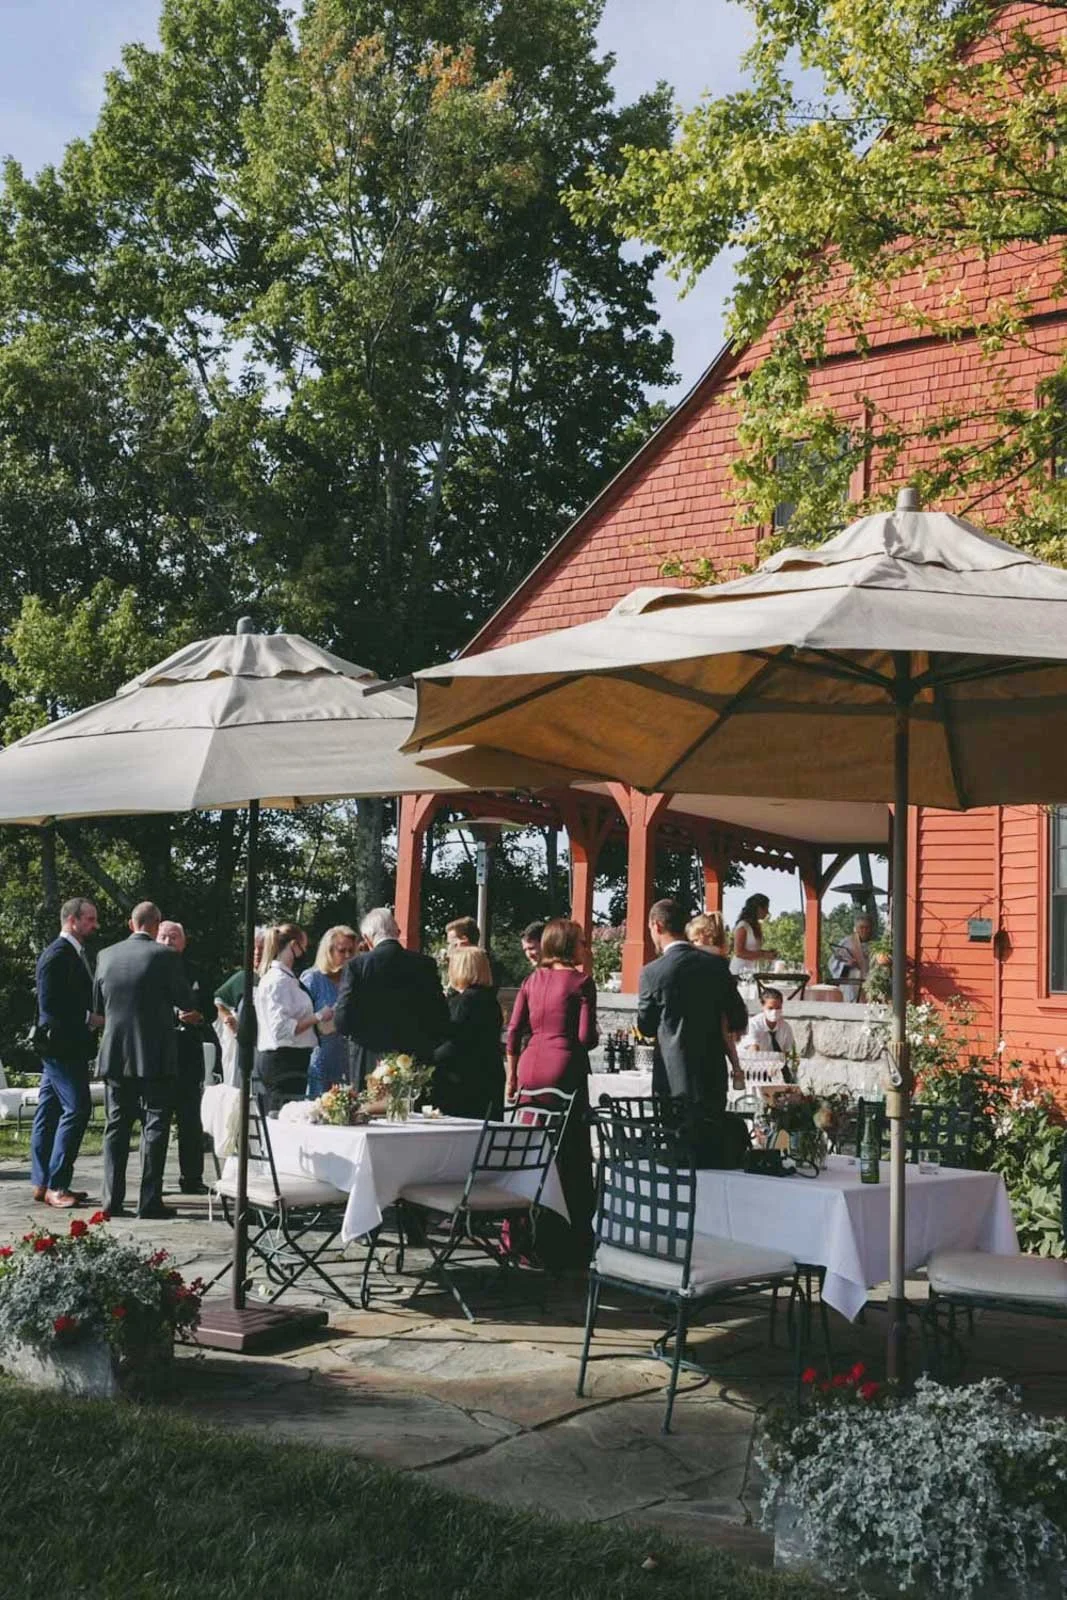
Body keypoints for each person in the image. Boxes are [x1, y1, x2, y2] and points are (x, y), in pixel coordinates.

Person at [94, 901, 198, 1220]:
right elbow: (184, 1000)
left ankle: (112, 1199)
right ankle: (149, 1200)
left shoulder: (105, 955)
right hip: (154, 1052)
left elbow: (98, 1006)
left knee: (116, 1126)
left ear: (131, 924)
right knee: (155, 1125)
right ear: (156, 925)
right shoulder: (165, 956)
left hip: (114, 1052)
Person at [505, 918, 597, 1263]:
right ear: (569, 946)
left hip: (530, 1065)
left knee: (531, 1149)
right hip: (564, 1067)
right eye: (582, 942)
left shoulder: (531, 979)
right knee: (568, 1154)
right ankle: (566, 1244)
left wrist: (511, 1076)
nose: (586, 948)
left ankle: (520, 1236)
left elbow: (514, 1031)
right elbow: (586, 1038)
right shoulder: (581, 982)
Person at [638, 899, 749, 1158]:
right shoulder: (716, 966)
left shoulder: (652, 972)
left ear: (657, 925)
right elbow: (736, 1015)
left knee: (678, 1152)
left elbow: (646, 1025)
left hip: (672, 1073)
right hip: (711, 1071)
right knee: (711, 1150)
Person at [29, 896, 103, 1209]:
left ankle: (41, 1181)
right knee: (77, 1108)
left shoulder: (71, 953)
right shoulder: (56, 955)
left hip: (64, 1046)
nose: (95, 925)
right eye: (89, 919)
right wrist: (90, 1018)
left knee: (47, 1113)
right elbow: (51, 1007)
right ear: (72, 921)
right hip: (61, 1047)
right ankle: (57, 1185)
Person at [333, 907, 449, 1089]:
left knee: (370, 1111)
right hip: (415, 1056)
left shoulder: (357, 966)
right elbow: (440, 1015)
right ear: (397, 932)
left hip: (369, 1056)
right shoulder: (425, 965)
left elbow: (341, 1019)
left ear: (368, 938)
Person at [156, 921, 212, 1195]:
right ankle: (152, 1180)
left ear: (183, 942)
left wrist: (199, 1017)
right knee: (156, 1120)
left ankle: (192, 1178)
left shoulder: (196, 971)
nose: (168, 941)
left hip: (189, 1054)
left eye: (174, 936)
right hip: (157, 1055)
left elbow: (212, 1006)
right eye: (163, 936)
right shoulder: (148, 970)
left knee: (190, 1120)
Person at [254, 924, 326, 1112]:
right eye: (303, 947)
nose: (304, 953)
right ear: (294, 946)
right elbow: (282, 1029)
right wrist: (318, 1016)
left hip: (292, 1059)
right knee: (283, 1119)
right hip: (283, 1060)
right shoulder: (278, 981)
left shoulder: (287, 979)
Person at [433, 946, 504, 1118]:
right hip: (489, 1076)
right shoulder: (490, 1001)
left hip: (464, 1081)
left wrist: (429, 1058)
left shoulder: (464, 1001)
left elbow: (455, 1042)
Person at [686, 911, 747, 1084]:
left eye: (694, 940)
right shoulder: (720, 965)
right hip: (715, 1055)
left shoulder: (706, 965)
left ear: (706, 936)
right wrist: (736, 1065)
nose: (691, 945)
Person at [302, 925, 359, 1097]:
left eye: (351, 951)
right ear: (328, 951)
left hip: (350, 1061)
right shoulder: (312, 978)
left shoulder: (354, 979)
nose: (348, 956)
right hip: (321, 1058)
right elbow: (301, 1019)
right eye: (342, 951)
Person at [213, 926, 265, 1085]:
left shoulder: (274, 978)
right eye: (254, 948)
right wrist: (228, 1018)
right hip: (241, 1045)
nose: (257, 952)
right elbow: (219, 1001)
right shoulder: (243, 978)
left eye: (261, 948)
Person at [744, 987, 797, 1066]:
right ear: (763, 1006)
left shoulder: (785, 1027)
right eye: (770, 1008)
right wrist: (766, 1066)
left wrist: (779, 1065)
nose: (774, 1012)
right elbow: (753, 1050)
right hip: (753, 1065)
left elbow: (789, 1051)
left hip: (776, 1066)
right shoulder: (754, 1024)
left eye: (778, 1008)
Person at [829, 913, 874, 1000]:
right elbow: (833, 963)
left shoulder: (874, 946)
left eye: (867, 927)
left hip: (868, 986)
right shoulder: (847, 943)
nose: (864, 930)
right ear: (856, 929)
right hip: (850, 984)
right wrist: (846, 965)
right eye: (861, 927)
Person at [731, 893, 777, 977]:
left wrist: (767, 953)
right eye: (766, 908)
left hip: (750, 972)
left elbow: (753, 950)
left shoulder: (757, 926)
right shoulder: (743, 926)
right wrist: (763, 954)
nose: (767, 912)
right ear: (759, 908)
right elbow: (739, 952)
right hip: (738, 972)